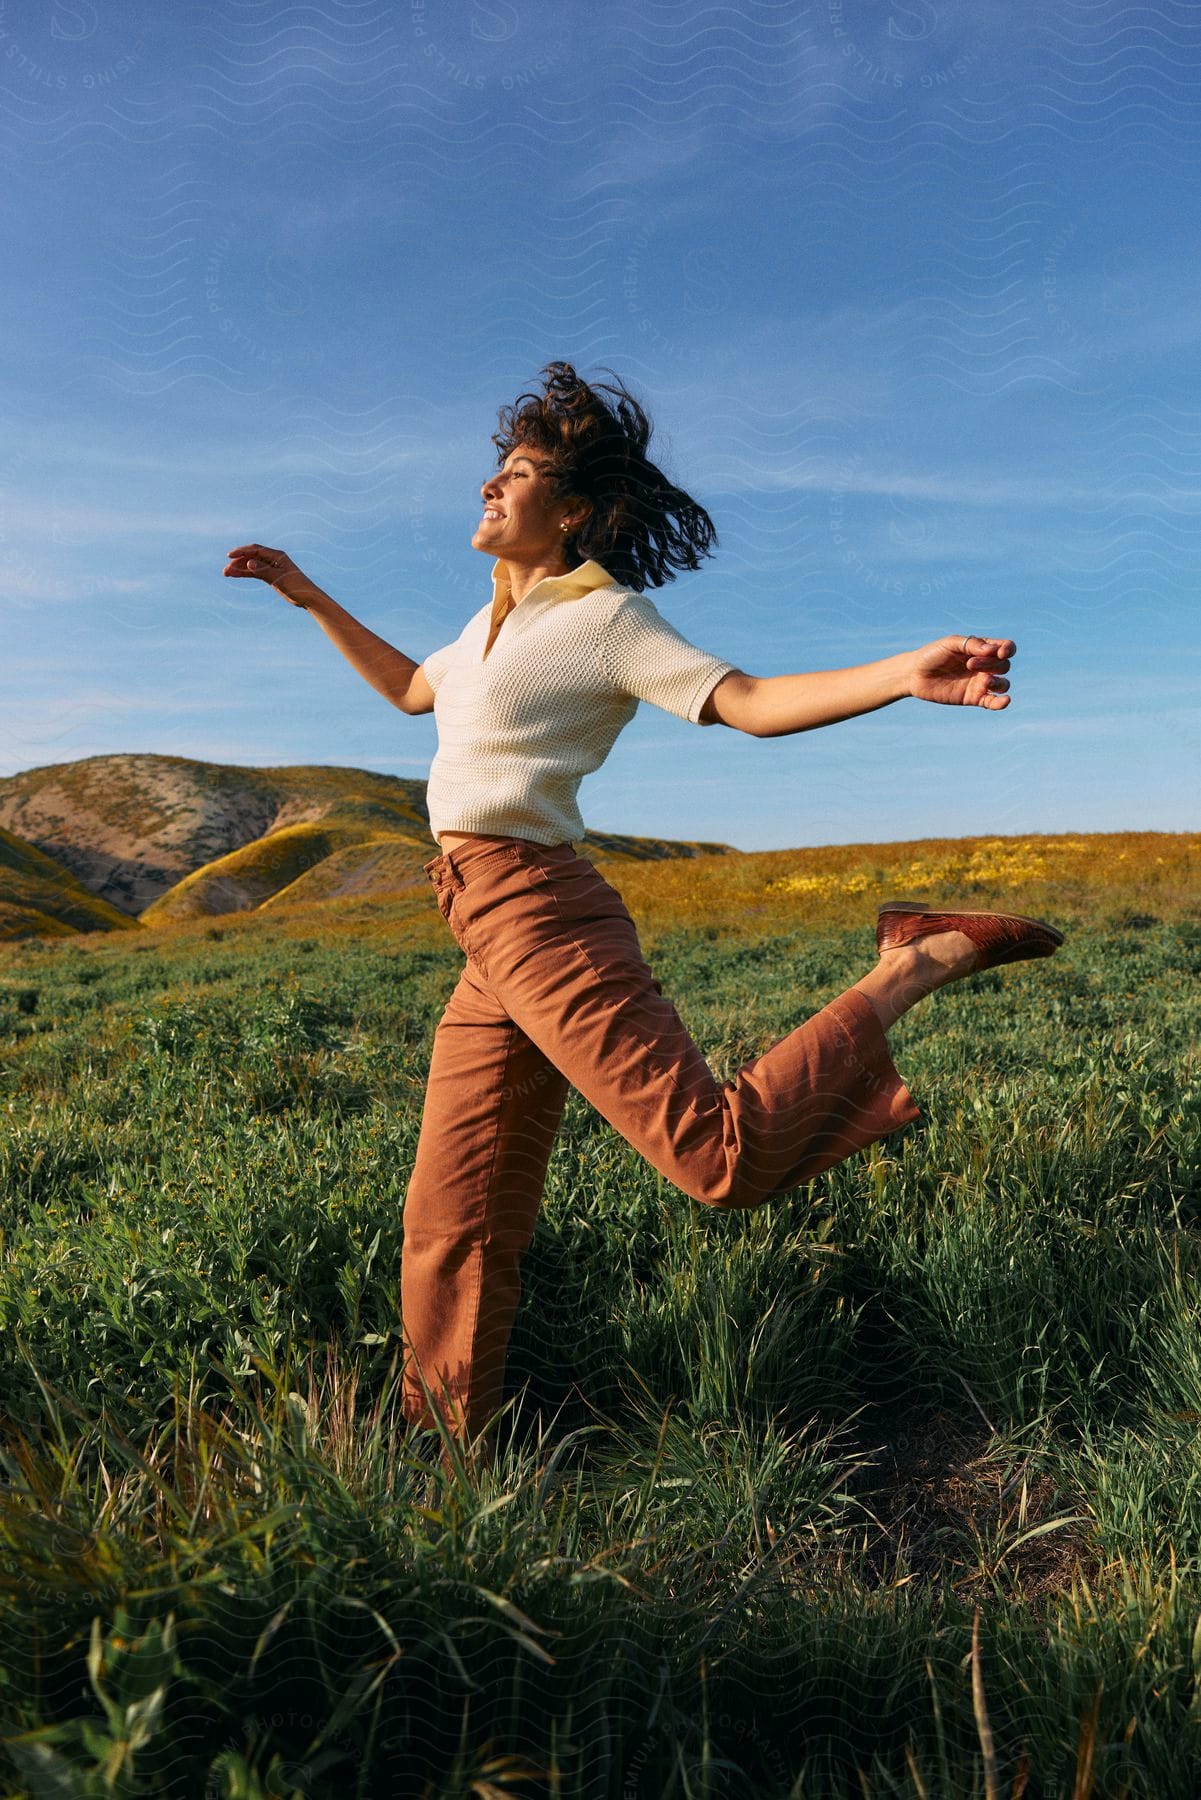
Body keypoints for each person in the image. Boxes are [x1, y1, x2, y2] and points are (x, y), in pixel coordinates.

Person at [224, 360, 1063, 1473]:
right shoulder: (479, 636)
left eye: (515, 475)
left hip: (539, 910)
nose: (488, 488)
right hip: (481, 927)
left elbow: (750, 704)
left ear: (569, 511)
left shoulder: (608, 619)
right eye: (494, 470)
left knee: (717, 1158)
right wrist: (312, 597)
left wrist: (902, 673)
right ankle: (441, 1462)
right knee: (451, 1211)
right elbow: (407, 691)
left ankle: (914, 960)